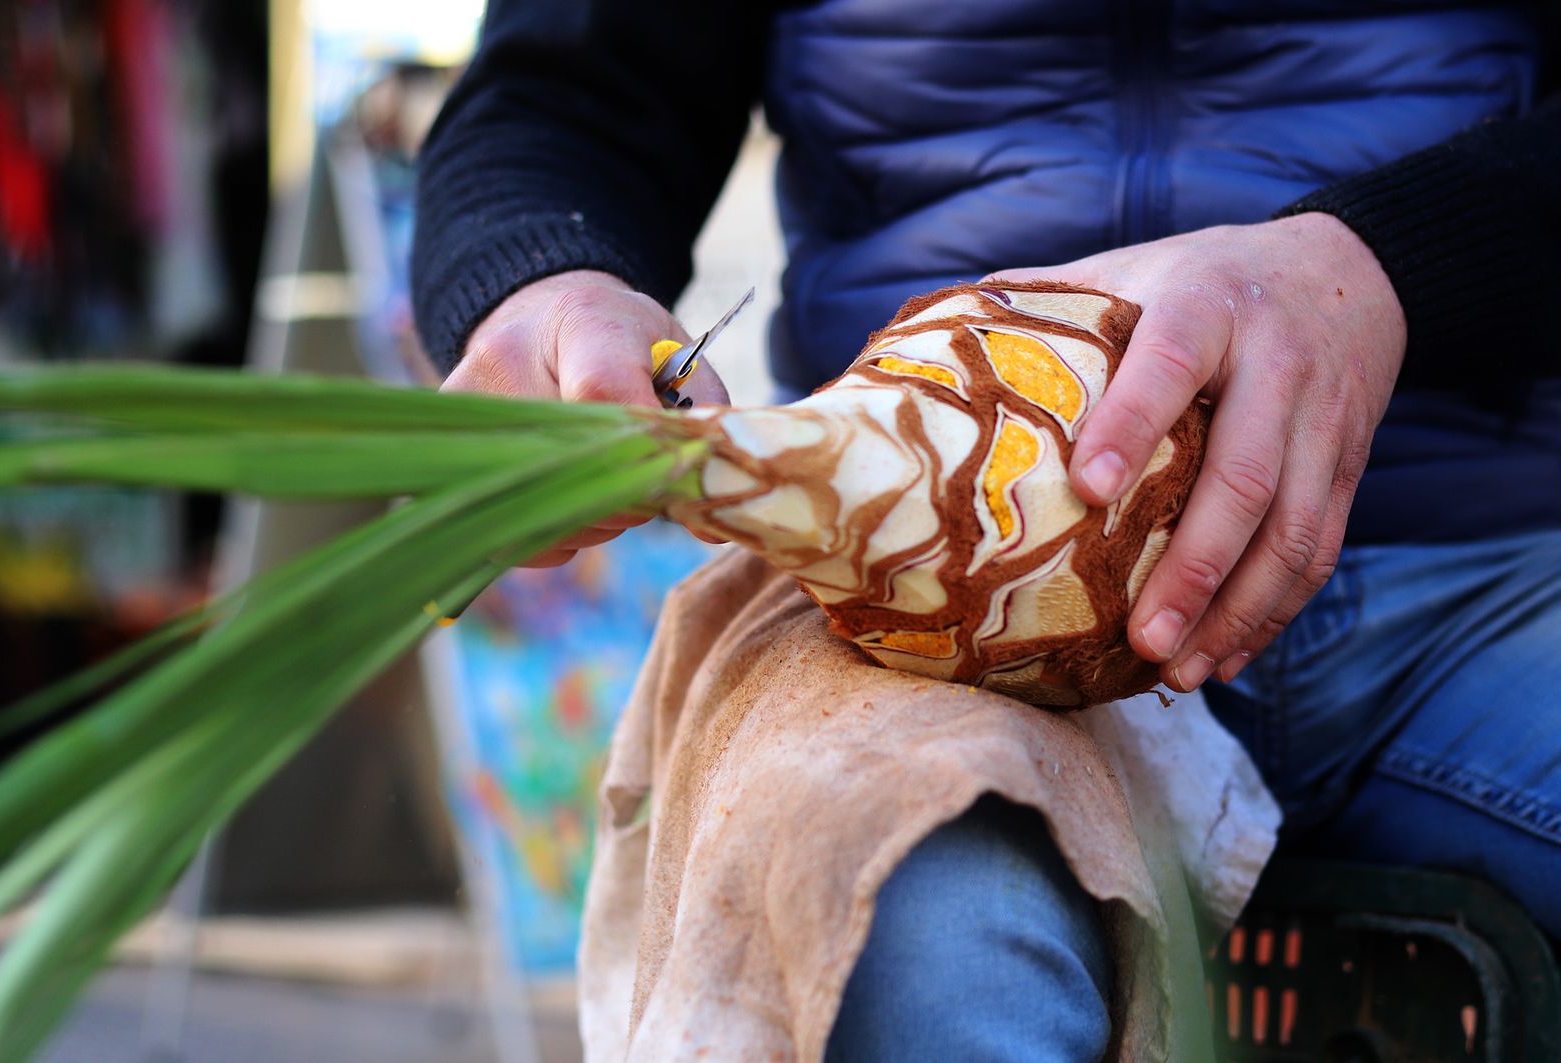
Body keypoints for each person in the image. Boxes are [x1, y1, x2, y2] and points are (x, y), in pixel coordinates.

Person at [411, 3, 1561, 1060]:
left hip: (1479, 579)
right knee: (906, 935)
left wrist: (1380, 268)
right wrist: (545, 285)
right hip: (912, 622)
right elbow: (560, 99)